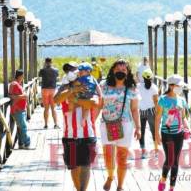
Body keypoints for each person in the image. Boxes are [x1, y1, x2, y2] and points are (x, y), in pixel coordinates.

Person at [54, 61, 101, 191]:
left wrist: (74, 100)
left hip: (88, 133)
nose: (71, 71)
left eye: (73, 69)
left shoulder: (89, 84)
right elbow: (55, 100)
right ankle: (78, 189)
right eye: (68, 69)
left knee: (86, 165)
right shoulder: (64, 87)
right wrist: (72, 91)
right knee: (73, 166)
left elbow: (94, 103)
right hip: (69, 134)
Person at [99, 59, 141, 191]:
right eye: (118, 69)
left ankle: (120, 186)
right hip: (106, 125)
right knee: (108, 156)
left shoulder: (132, 89)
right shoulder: (103, 86)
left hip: (126, 125)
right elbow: (98, 106)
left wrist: (138, 128)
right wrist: (89, 124)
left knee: (122, 157)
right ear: (112, 71)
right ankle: (110, 176)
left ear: (128, 73)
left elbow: (134, 109)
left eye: (123, 70)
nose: (120, 72)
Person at [155, 74, 191, 191]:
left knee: (175, 161)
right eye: (179, 85)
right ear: (171, 86)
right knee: (170, 160)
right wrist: (156, 135)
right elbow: (158, 118)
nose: (181, 88)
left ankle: (171, 188)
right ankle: (163, 179)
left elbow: (184, 117)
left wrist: (187, 127)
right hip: (167, 134)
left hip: (179, 134)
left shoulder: (182, 100)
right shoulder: (162, 100)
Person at [137, 68, 158, 158]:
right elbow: (156, 101)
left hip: (141, 111)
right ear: (151, 77)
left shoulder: (138, 86)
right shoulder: (154, 87)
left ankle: (143, 151)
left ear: (143, 77)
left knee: (141, 132)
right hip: (151, 111)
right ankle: (156, 151)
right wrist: (158, 114)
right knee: (154, 131)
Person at [9, 69, 30, 149]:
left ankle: (21, 144)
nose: (23, 78)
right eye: (23, 76)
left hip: (21, 109)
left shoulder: (17, 84)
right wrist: (24, 96)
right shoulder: (14, 84)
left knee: (21, 127)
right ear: (20, 76)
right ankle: (27, 142)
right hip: (18, 109)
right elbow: (11, 96)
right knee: (23, 126)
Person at [38, 57, 59, 129]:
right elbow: (57, 76)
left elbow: (39, 75)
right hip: (53, 89)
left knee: (46, 108)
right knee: (53, 108)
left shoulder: (42, 70)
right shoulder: (56, 70)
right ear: (51, 62)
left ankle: (46, 124)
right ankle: (56, 124)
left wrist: (44, 66)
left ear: (45, 62)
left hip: (44, 89)